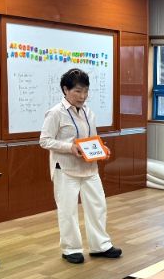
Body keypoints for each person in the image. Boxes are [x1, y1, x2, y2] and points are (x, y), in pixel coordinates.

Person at [40, 68, 121, 264]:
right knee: (68, 211)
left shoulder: (88, 112)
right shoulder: (55, 113)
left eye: (85, 91)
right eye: (77, 91)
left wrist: (102, 148)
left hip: (89, 169)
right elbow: (44, 140)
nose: (82, 96)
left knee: (98, 206)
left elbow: (92, 138)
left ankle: (100, 245)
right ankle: (71, 249)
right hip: (65, 169)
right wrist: (69, 147)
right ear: (65, 90)